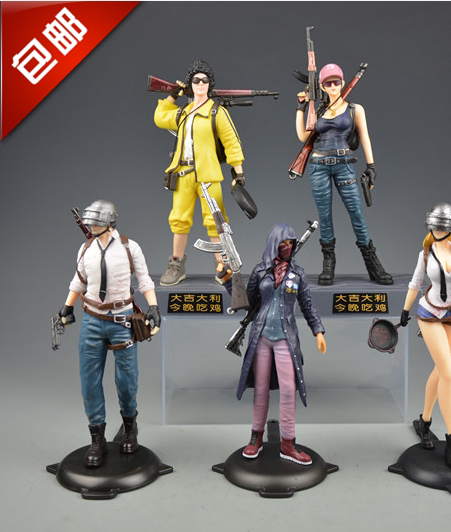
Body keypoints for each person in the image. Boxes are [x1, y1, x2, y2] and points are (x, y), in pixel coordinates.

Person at [56, 200, 161, 468]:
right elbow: (80, 280)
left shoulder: (129, 247)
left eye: (96, 222)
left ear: (109, 222)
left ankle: (129, 427)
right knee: (89, 381)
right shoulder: (86, 248)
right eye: (89, 222)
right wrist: (67, 306)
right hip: (92, 320)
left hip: (122, 321)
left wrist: (153, 306)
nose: (91, 226)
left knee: (127, 379)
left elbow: (144, 279)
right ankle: (97, 438)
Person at [219, 223, 326, 465]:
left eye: (291, 243)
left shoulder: (297, 274)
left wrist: (318, 331)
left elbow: (308, 306)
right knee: (260, 389)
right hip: (261, 337)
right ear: (274, 245)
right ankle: (256, 437)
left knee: (288, 390)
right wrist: (226, 279)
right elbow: (246, 301)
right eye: (283, 243)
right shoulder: (260, 271)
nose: (287, 247)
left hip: (286, 338)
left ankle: (288, 443)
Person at [296, 63, 392, 286]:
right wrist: (300, 108)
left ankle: (373, 263)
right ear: (322, 86)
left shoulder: (354, 109)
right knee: (325, 217)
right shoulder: (318, 110)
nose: (333, 86)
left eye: (336, 82)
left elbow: (365, 136)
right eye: (328, 82)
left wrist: (371, 165)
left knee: (357, 214)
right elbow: (303, 137)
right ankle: (328, 263)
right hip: (318, 166)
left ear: (342, 83)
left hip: (344, 164)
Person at [400, 203, 451, 470]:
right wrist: (405, 310)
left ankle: (424, 421)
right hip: (430, 313)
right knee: (448, 373)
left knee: (442, 370)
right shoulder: (425, 254)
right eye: (434, 227)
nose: (437, 231)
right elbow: (415, 282)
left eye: (441, 227)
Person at [154, 59, 245, 286]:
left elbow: (232, 142)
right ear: (190, 84)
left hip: (209, 175)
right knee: (179, 220)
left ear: (210, 84)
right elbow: (159, 118)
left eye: (205, 80)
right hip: (183, 174)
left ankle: (221, 264)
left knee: (216, 221)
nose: (201, 84)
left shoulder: (217, 112)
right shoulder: (183, 113)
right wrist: (172, 96)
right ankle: (176, 264)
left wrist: (239, 172)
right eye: (196, 80)